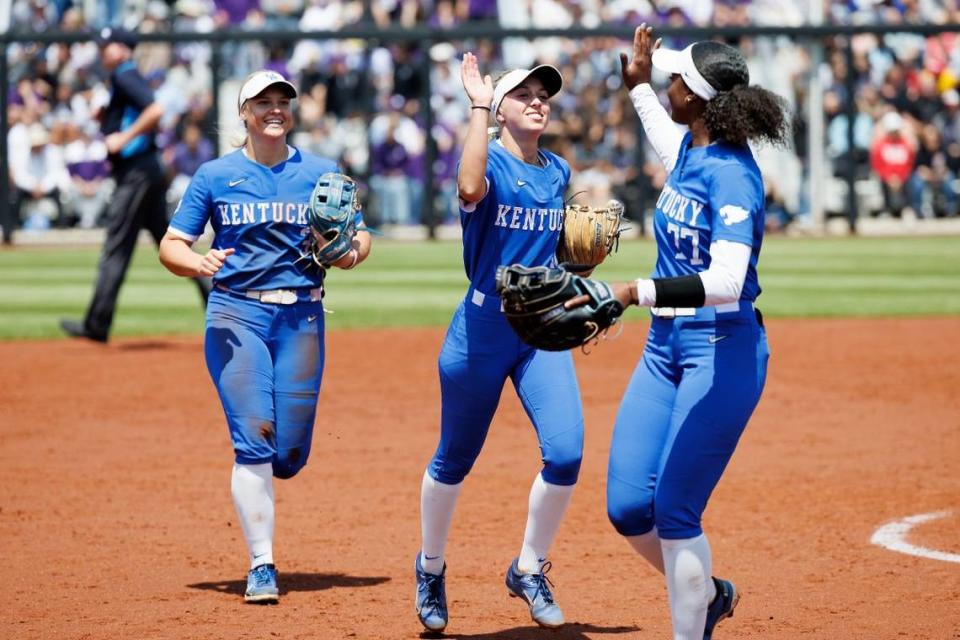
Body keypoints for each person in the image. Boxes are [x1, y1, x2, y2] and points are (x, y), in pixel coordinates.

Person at [158, 70, 372, 604]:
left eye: (283, 101)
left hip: (302, 318)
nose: (275, 109)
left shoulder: (322, 171)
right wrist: (195, 262)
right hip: (235, 316)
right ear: (244, 113)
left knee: (289, 456)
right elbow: (171, 244)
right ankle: (261, 565)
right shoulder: (214, 175)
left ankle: (271, 481)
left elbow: (360, 236)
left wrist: (349, 252)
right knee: (253, 440)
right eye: (263, 102)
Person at [600, 25, 786, 640]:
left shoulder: (733, 175)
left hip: (720, 348)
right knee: (629, 507)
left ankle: (691, 625)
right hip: (664, 350)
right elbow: (661, 136)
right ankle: (707, 594)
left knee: (676, 511)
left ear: (699, 99)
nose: (668, 83)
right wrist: (639, 87)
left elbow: (729, 279)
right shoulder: (691, 148)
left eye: (675, 79)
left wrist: (634, 291)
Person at [414, 54, 583, 632]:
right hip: (481, 332)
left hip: (540, 330)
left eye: (545, 94)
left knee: (567, 454)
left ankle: (529, 569)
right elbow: (467, 185)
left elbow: (554, 256)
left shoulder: (558, 171)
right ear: (502, 110)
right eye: (525, 94)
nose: (538, 100)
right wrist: (479, 107)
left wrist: (578, 269)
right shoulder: (489, 164)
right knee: (454, 459)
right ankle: (431, 568)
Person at [60, 27, 210, 343]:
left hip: (137, 173)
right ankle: (221, 305)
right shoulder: (124, 76)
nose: (102, 50)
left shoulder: (125, 74)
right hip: (147, 170)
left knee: (116, 246)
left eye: (108, 44)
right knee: (174, 243)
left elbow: (156, 110)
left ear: (124, 49)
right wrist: (109, 120)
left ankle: (96, 324)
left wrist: (123, 137)